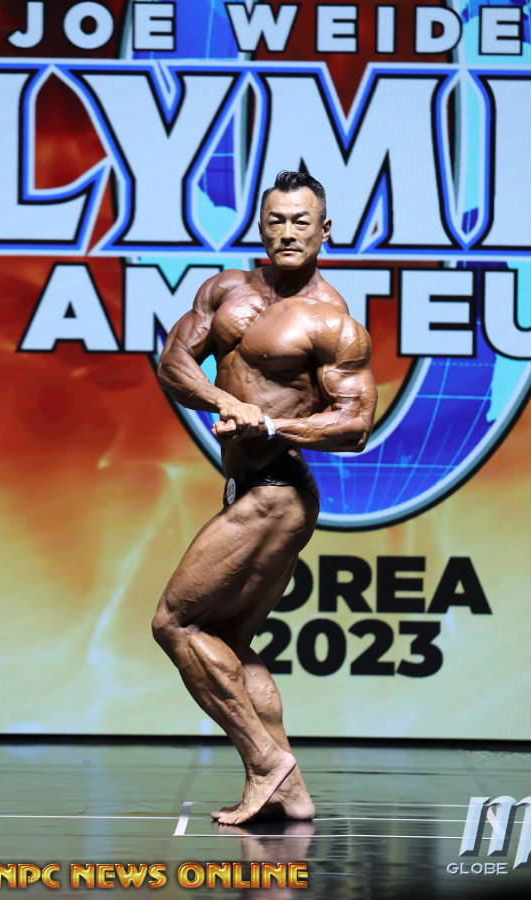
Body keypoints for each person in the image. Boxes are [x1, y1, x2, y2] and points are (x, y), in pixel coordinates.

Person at [152, 171, 377, 825]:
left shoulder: (332, 321)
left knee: (175, 623)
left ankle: (265, 760)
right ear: (261, 225)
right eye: (276, 219)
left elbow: (356, 424)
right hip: (245, 486)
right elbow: (174, 361)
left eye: (301, 221)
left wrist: (271, 425)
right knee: (225, 638)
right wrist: (224, 401)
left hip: (278, 494)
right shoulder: (226, 290)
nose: (288, 231)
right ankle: (292, 793)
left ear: (325, 231)